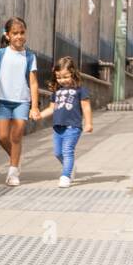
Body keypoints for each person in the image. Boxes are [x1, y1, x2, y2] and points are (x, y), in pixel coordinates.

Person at [0, 17, 40, 187]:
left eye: (22, 33)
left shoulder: (30, 57)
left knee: (16, 136)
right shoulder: (0, 54)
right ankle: (15, 158)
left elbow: (33, 83)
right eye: (15, 33)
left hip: (21, 102)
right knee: (2, 137)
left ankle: (13, 171)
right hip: (3, 101)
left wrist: (34, 106)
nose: (19, 36)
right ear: (7, 35)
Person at [36, 56, 93, 188]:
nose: (62, 80)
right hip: (58, 127)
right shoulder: (57, 92)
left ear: (73, 74)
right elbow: (51, 108)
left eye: (66, 76)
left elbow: (86, 107)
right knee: (58, 153)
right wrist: (40, 115)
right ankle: (71, 167)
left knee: (67, 151)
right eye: (59, 77)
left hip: (73, 127)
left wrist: (89, 123)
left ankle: (65, 176)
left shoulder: (80, 90)